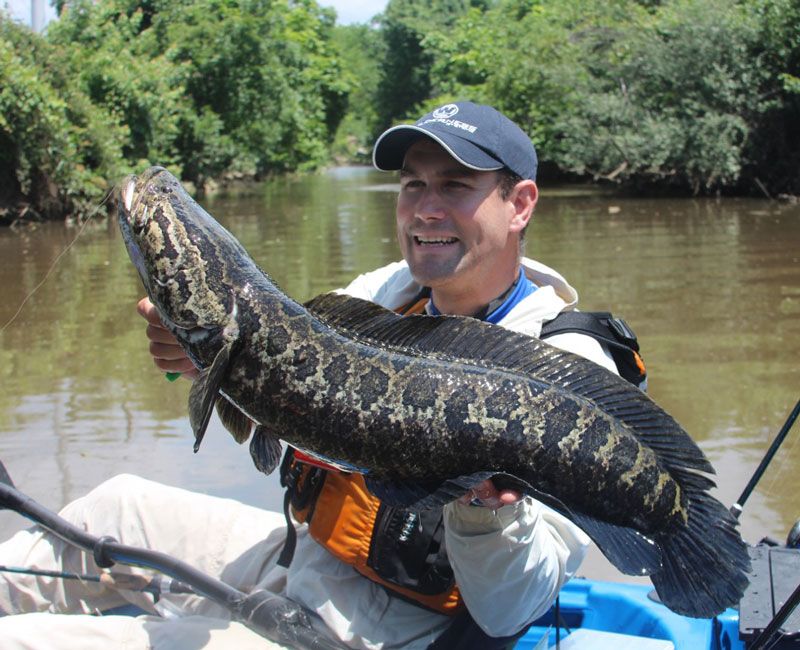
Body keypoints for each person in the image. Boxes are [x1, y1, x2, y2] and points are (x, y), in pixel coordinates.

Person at [0, 102, 620, 649]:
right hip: (308, 560)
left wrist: (489, 507)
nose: (425, 209)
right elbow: (281, 389)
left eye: (455, 186)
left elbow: (513, 605)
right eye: (412, 185)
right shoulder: (384, 294)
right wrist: (203, 363)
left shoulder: (566, 372)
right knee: (116, 506)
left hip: (388, 631)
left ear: (520, 204)